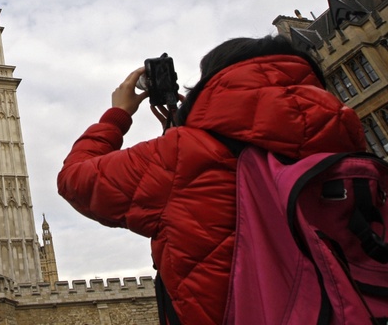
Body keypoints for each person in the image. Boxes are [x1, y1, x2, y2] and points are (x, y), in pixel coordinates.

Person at [57, 35, 367, 325]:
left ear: (215, 81)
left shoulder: (185, 152)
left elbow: (76, 180)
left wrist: (117, 114)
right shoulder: (345, 137)